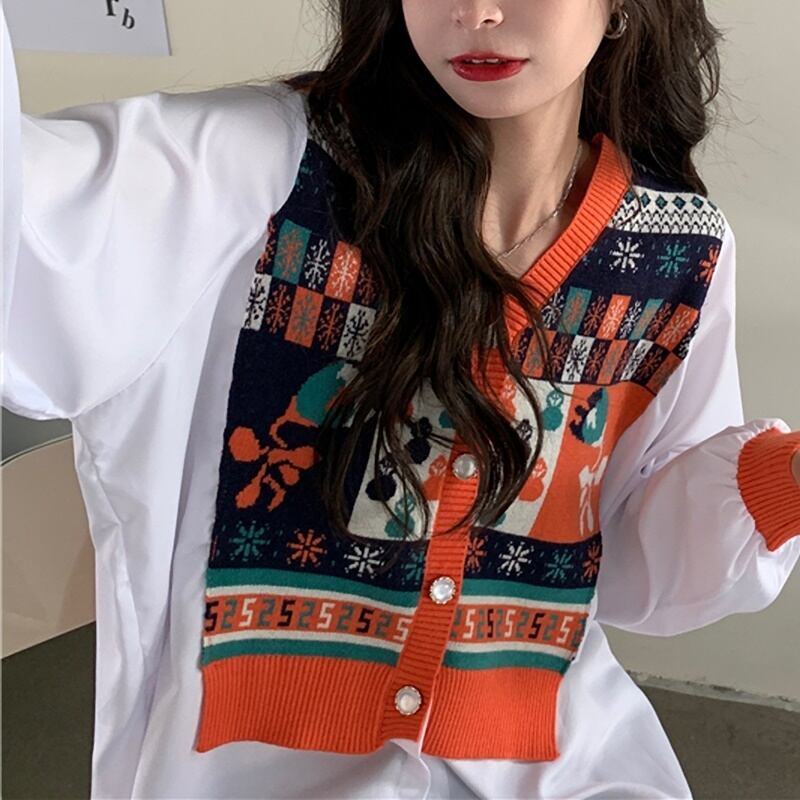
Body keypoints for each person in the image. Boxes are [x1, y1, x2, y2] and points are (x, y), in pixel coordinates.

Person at [3, 1, 800, 798]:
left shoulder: (678, 250)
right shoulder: (254, 170)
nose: (477, 12)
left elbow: (629, 556)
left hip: (556, 765)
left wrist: (782, 480)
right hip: (256, 770)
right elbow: (30, 242)